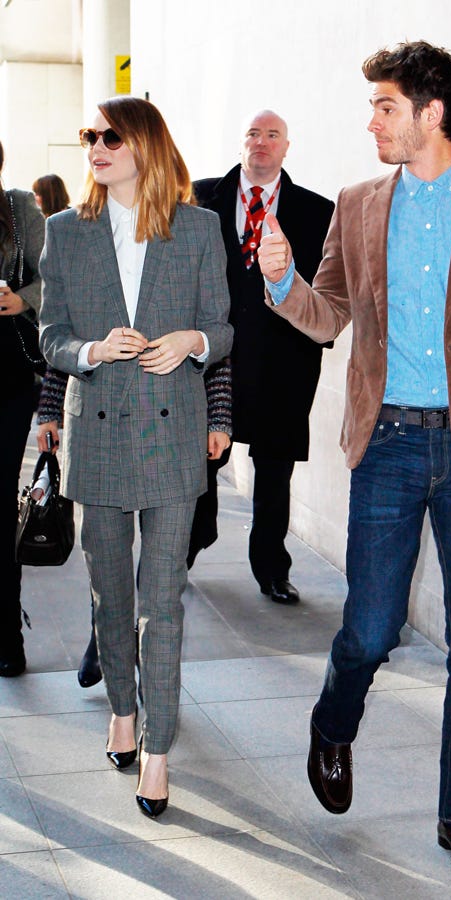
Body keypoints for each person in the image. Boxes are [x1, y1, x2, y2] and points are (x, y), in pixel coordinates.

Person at [258, 41, 451, 874]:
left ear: (432, 114)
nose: (372, 121)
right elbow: (327, 318)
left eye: (385, 107)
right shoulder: (358, 206)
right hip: (390, 444)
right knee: (369, 630)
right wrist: (284, 282)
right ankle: (333, 724)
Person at [39, 96, 232, 819]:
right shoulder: (68, 231)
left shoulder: (198, 229)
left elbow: (224, 330)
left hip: (173, 435)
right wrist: (90, 351)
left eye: (108, 135)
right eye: (88, 134)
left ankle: (156, 749)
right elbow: (51, 334)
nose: (94, 145)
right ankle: (122, 705)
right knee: (109, 594)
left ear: (144, 145)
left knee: (163, 605)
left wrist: (193, 342)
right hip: (99, 433)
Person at [193, 110, 334, 605]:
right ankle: (190, 541)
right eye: (253, 133)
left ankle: (271, 567)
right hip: (215, 361)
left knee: (275, 476)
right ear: (241, 143)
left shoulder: (318, 211)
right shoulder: (197, 197)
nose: (262, 142)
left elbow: (328, 292)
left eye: (272, 134)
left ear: (286, 147)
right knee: (199, 463)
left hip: (283, 365)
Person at [36, 357, 233, 688]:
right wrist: (50, 411)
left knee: (165, 557)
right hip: (105, 420)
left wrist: (219, 419)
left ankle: (145, 650)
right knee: (105, 546)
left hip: (174, 421)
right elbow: (69, 332)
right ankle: (105, 633)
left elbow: (213, 341)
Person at [0, 140, 46, 677]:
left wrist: (21, 298)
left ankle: (7, 634)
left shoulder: (18, 207)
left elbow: (50, 276)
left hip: (7, 378)